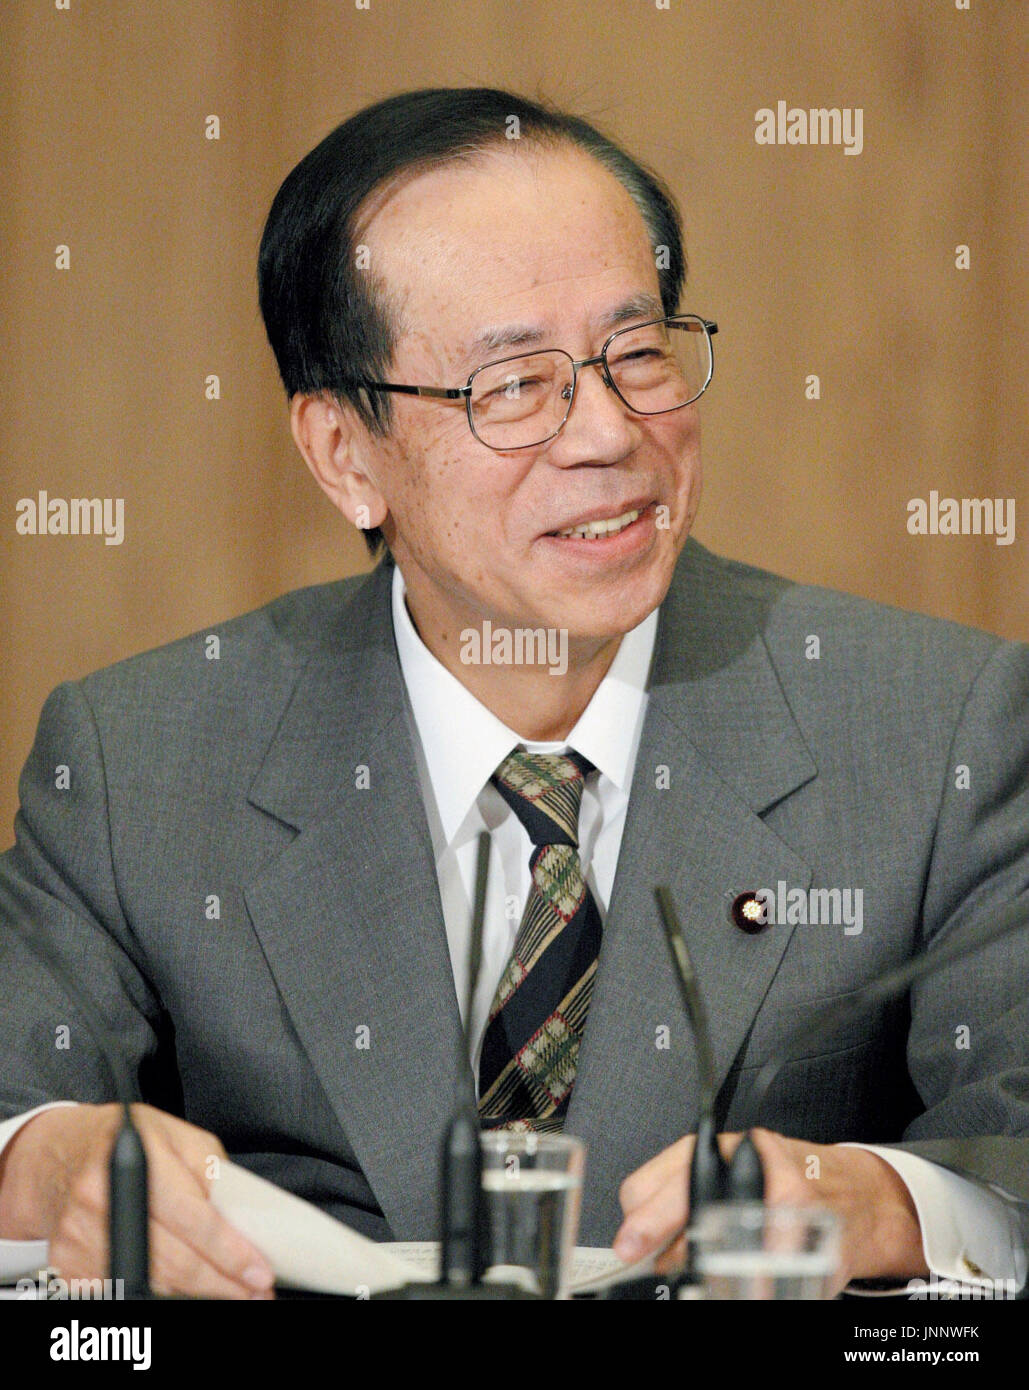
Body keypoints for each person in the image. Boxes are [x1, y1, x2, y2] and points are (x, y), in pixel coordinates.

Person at [1, 88, 1026, 1301]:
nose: (607, 432)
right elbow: (23, 1107)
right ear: (345, 453)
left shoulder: (941, 722)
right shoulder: (141, 760)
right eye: (516, 383)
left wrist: (893, 1203)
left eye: (637, 353)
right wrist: (39, 1166)